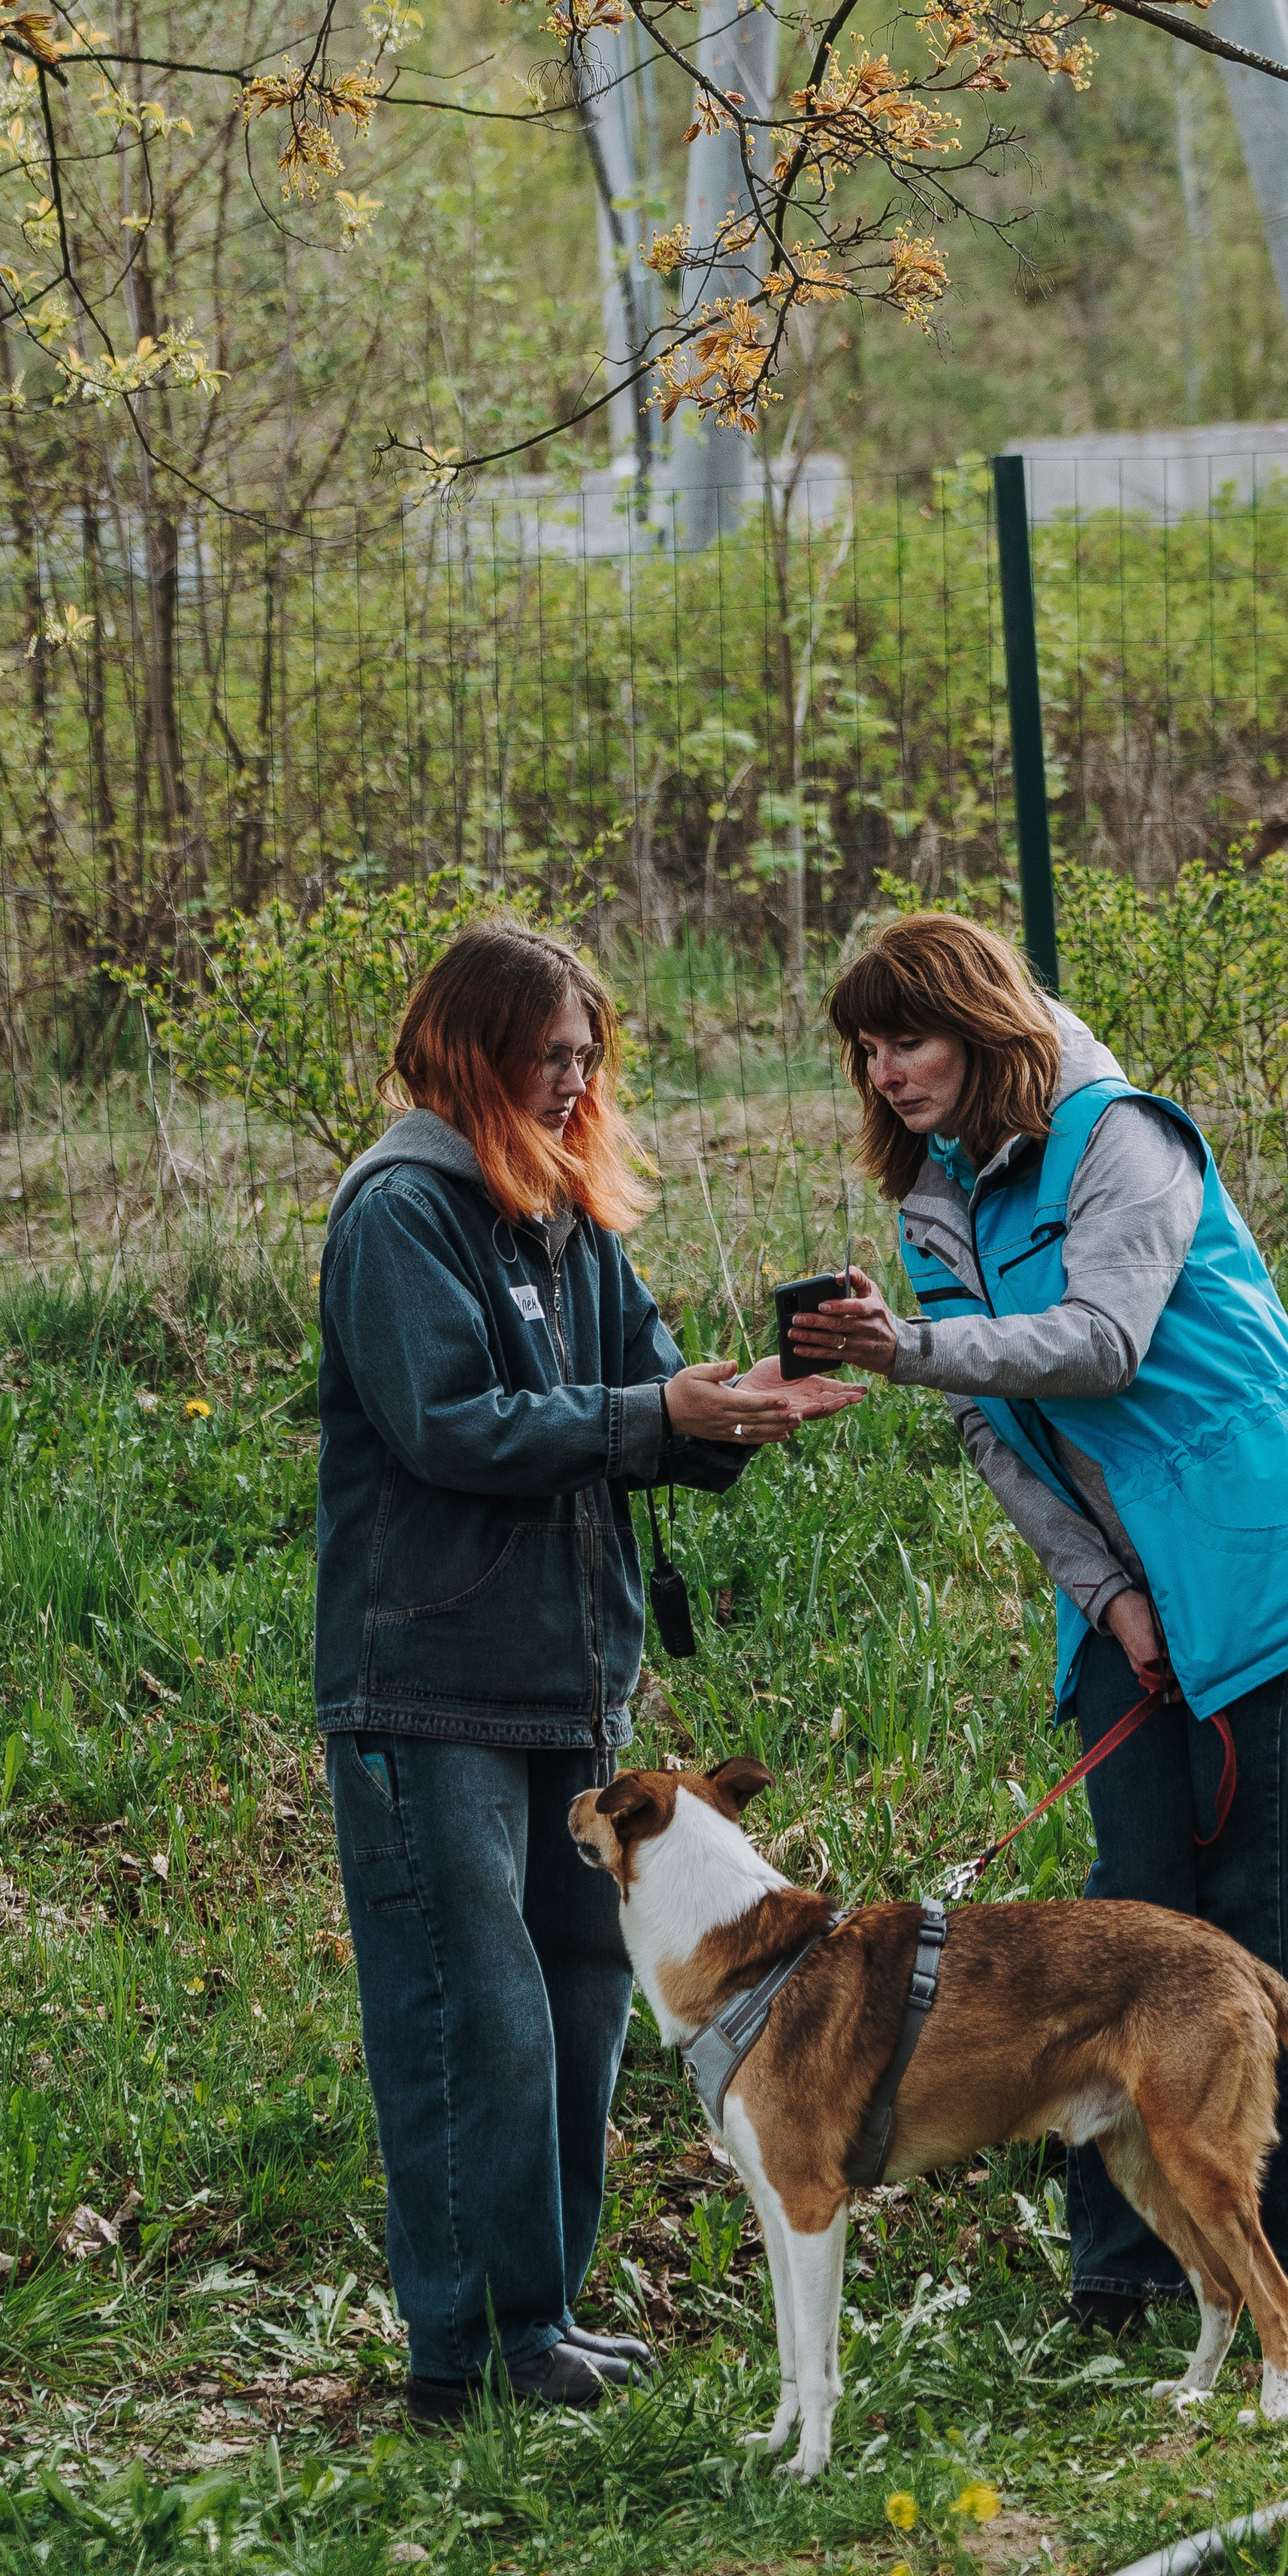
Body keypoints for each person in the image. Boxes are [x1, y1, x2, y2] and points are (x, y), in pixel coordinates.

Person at [797, 912, 1288, 2326]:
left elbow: (1103, 1340)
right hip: (1133, 1581)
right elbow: (993, 1428)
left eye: (909, 1037)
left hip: (1261, 1548)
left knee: (1265, 1907)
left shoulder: (1118, 1135)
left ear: (980, 1018)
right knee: (1120, 1925)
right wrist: (1112, 1598)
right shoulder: (937, 1197)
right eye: (866, 1050)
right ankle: (1130, 2276)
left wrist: (900, 1348)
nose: (886, 1071)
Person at [316, 911, 860, 2426]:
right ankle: (458, 2351)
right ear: (471, 1046)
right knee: (463, 2009)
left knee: (571, 2002)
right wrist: (645, 1414)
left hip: (568, 1680)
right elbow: (448, 1424)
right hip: (423, 1687)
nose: (574, 1082)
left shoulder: (563, 1214)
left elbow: (641, 1386)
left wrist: (735, 1406)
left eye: (586, 1056)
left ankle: (536, 2319)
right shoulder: (400, 1211)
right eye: (548, 1055)